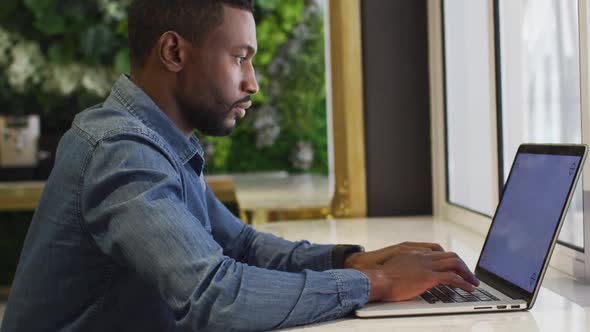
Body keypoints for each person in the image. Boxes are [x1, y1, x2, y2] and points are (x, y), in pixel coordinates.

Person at [0, 0, 479, 331]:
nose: (253, 83)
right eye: (240, 58)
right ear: (174, 52)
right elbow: (215, 297)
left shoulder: (158, 143)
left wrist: (350, 260)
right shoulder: (122, 152)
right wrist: (378, 282)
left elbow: (240, 245)